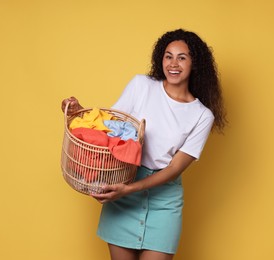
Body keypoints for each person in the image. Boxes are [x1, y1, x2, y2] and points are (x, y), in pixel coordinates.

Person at [61, 28, 227, 260]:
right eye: (168, 56)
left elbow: (174, 168)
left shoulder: (202, 115)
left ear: (195, 63)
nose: (173, 63)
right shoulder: (141, 85)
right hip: (124, 186)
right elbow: (111, 128)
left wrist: (129, 189)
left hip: (163, 200)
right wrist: (80, 113)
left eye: (182, 57)